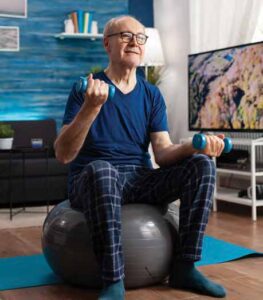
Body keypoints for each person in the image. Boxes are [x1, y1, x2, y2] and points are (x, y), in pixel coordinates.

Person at [54, 15, 227, 300]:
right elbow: (63, 154)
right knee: (103, 170)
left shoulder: (151, 94)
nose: (134, 42)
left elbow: (162, 152)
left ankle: (185, 266)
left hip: (138, 176)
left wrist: (193, 147)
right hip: (92, 179)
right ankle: (113, 281)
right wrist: (91, 108)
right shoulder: (87, 89)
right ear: (107, 44)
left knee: (201, 165)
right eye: (125, 36)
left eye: (140, 37)